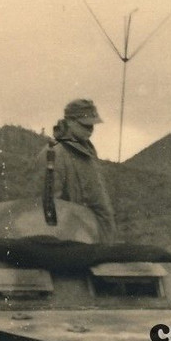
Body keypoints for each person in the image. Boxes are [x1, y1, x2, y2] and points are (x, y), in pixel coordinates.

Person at [45, 98, 118, 243]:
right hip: (73, 240)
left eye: (93, 125)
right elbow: (48, 207)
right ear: (70, 122)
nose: (91, 129)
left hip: (97, 236)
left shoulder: (88, 153)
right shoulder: (54, 154)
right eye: (86, 125)